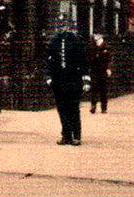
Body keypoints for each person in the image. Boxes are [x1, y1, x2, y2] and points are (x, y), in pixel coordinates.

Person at [46, 17, 89, 145]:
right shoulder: (54, 42)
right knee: (62, 108)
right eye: (61, 26)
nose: (63, 28)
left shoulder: (77, 41)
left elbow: (83, 62)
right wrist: (49, 77)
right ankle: (66, 135)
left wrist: (86, 80)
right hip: (59, 80)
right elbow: (49, 61)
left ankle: (76, 135)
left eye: (65, 26)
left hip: (73, 79)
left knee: (73, 108)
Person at [86, 33, 113, 114]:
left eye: (97, 35)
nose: (95, 37)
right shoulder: (92, 46)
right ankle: (93, 106)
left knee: (103, 89)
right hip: (94, 70)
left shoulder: (106, 47)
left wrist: (109, 68)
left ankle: (103, 107)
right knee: (94, 88)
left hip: (103, 70)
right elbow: (89, 58)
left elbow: (110, 59)